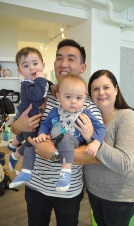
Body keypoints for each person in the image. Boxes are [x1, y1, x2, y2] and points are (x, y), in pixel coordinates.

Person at [10, 39, 103, 226]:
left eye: (71, 59)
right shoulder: (43, 93)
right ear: (53, 64)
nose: (64, 63)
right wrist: (18, 126)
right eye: (59, 58)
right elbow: (16, 128)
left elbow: (96, 156)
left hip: (68, 191)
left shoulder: (88, 108)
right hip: (35, 186)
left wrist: (53, 154)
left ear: (82, 66)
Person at [83, 69, 134, 226]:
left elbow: (124, 163)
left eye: (106, 87)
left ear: (116, 89)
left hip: (119, 196)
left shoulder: (127, 117)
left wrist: (92, 138)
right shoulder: (90, 119)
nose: (101, 92)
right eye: (95, 89)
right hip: (95, 191)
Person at [33, 74, 105, 192]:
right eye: (67, 97)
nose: (73, 102)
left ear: (85, 98)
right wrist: (42, 134)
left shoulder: (85, 113)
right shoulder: (55, 111)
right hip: (54, 141)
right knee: (56, 133)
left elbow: (101, 128)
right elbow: (45, 124)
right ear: (58, 97)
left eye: (78, 98)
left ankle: (65, 171)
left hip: (73, 141)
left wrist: (95, 143)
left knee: (65, 137)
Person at [8, 47, 54, 189]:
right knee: (30, 142)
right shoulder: (26, 84)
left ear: (43, 65)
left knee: (31, 139)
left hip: (35, 119)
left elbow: (47, 87)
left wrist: (52, 85)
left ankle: (14, 151)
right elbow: (37, 95)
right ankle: (26, 169)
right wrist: (40, 77)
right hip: (28, 117)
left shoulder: (44, 83)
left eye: (35, 63)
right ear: (20, 71)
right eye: (26, 66)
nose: (32, 68)